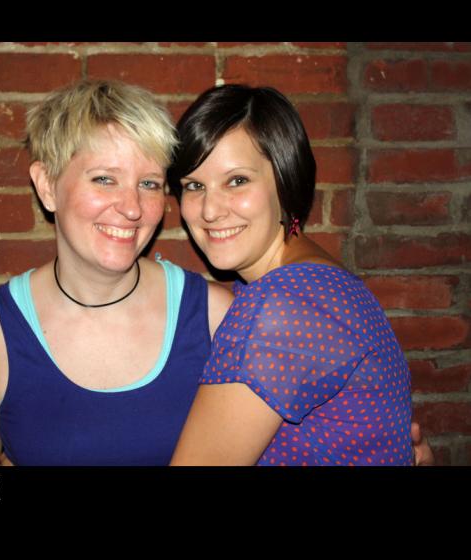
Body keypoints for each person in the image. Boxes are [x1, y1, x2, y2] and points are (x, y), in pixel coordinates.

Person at [0, 79, 233, 465]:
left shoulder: (214, 317)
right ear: (47, 186)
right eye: (104, 179)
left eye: (149, 184)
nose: (132, 207)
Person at [167, 84, 417, 466]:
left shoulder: (280, 308)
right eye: (194, 186)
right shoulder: (316, 282)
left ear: (285, 181)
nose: (210, 210)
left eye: (237, 180)